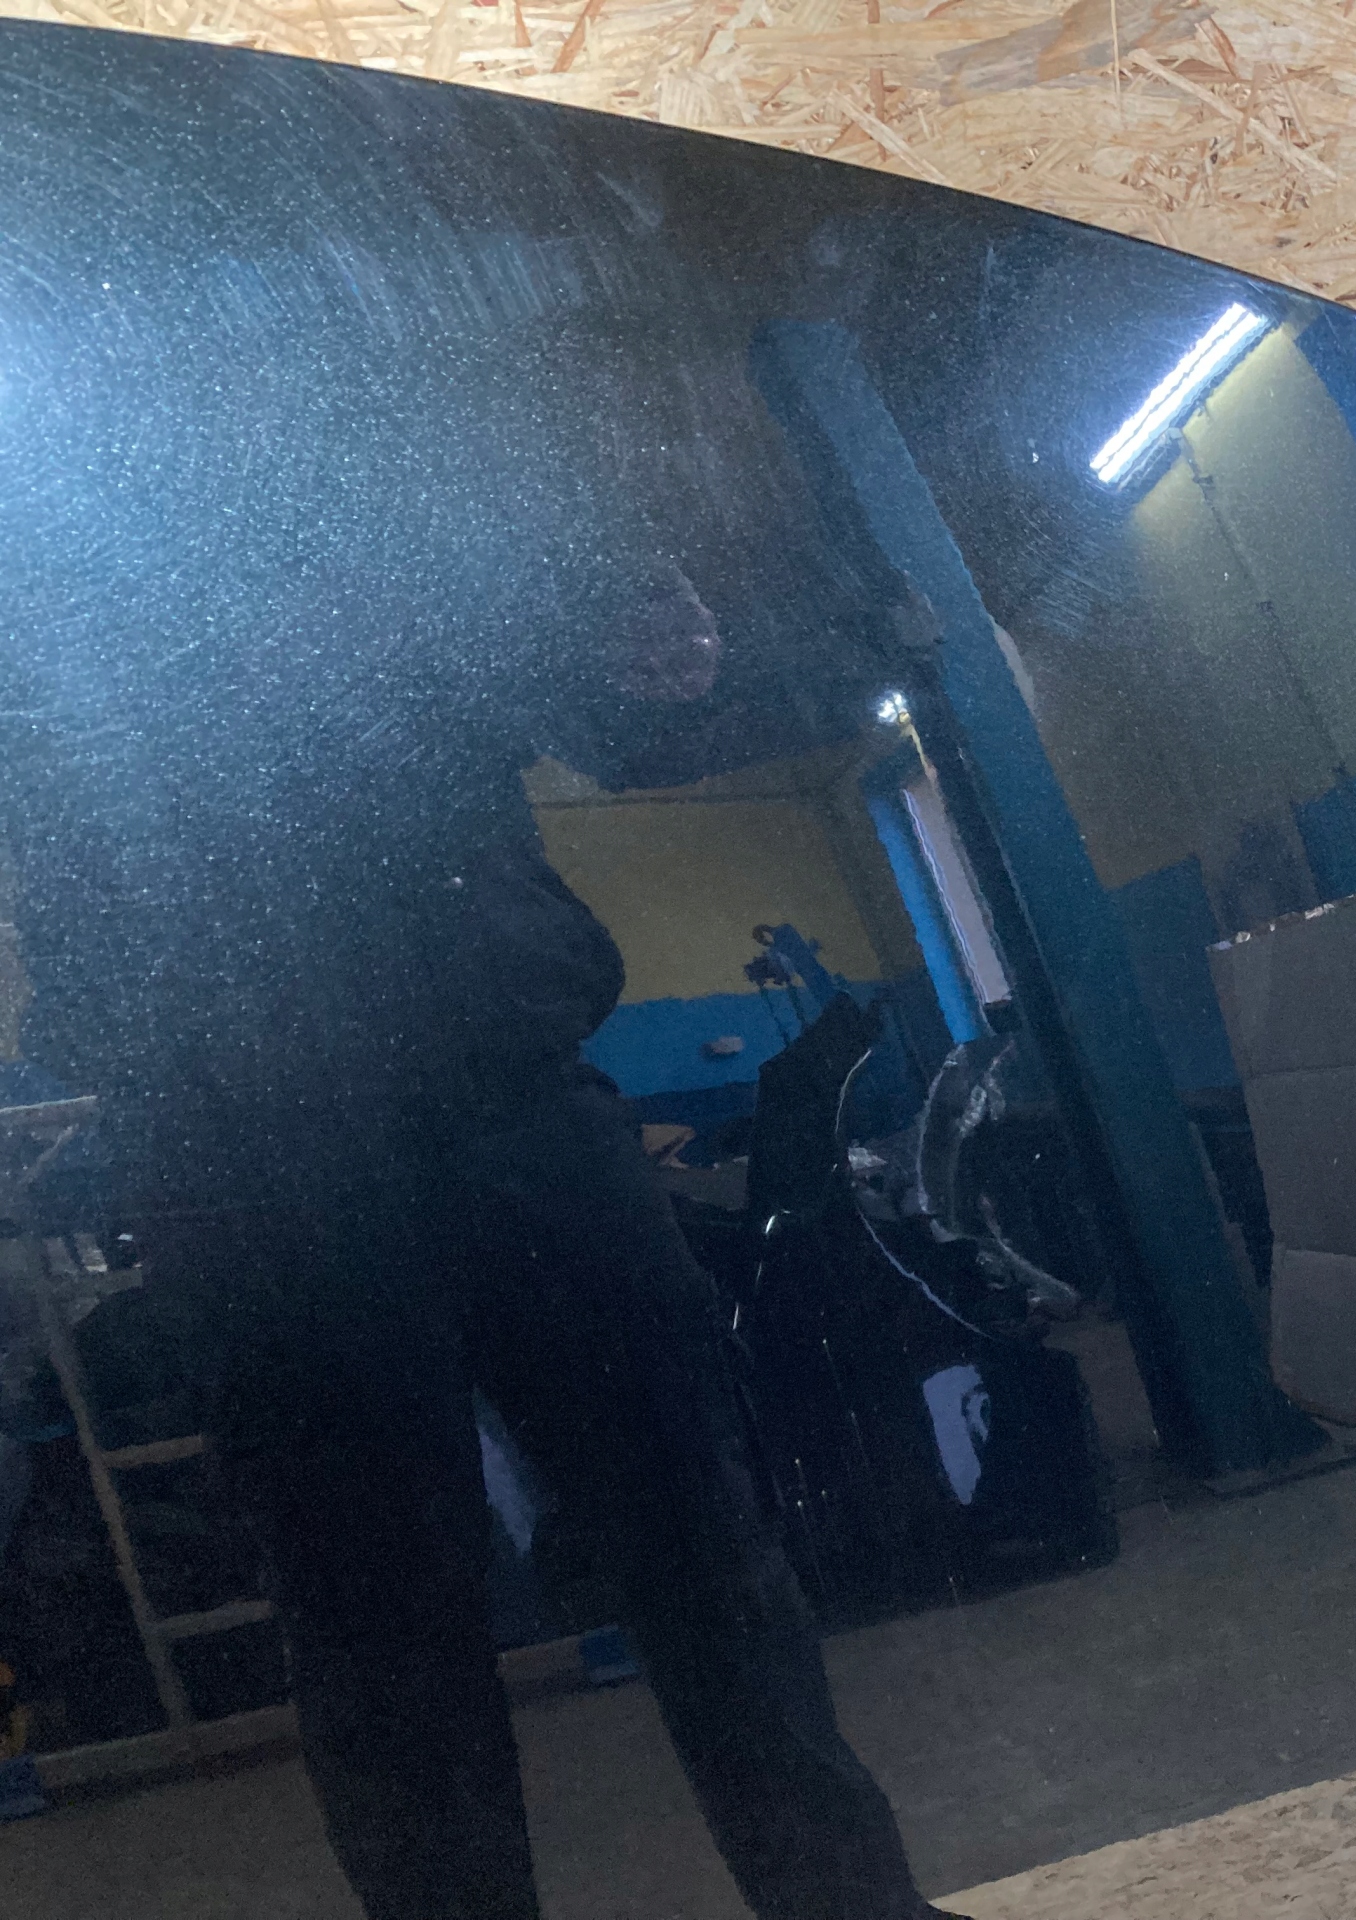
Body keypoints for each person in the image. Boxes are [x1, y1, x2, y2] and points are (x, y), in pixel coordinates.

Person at [7, 551, 971, 1920]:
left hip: (493, 1103)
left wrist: (722, 647)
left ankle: (852, 1907)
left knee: (696, 1530)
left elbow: (621, 704)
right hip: (263, 1163)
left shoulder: (374, 546)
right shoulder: (56, 587)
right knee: (382, 1609)